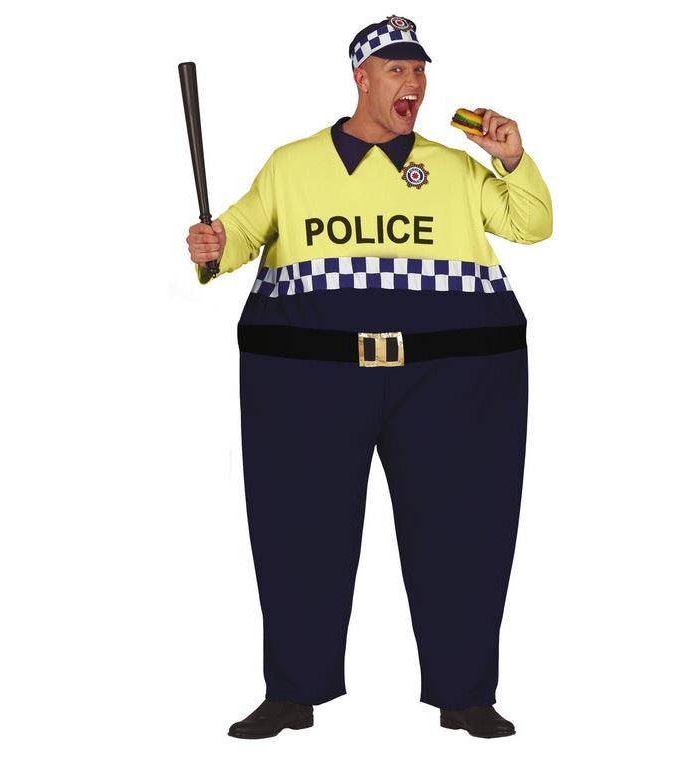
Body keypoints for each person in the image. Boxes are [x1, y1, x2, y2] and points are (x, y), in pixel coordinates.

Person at [186, 14, 552, 739]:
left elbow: (531, 225)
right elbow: (235, 239)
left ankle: (465, 694)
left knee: (464, 532)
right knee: (297, 531)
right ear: (361, 77)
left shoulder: (454, 167)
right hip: (310, 381)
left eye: (419, 70)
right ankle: (293, 692)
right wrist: (212, 244)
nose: (412, 82)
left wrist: (511, 159)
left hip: (450, 381)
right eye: (396, 69)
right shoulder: (291, 165)